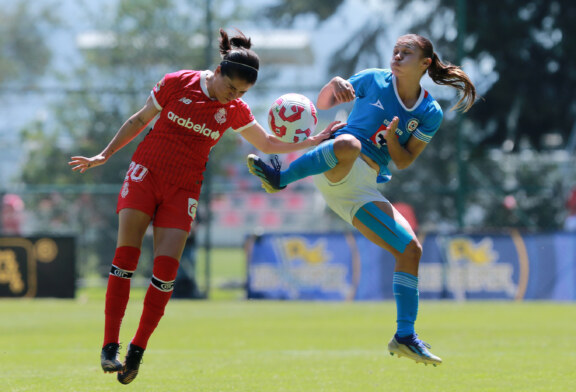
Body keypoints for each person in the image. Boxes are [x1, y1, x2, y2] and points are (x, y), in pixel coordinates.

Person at [69, 28, 341, 384]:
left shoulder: (234, 110)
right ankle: (109, 347)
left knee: (165, 274)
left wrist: (313, 139)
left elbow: (269, 143)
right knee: (126, 258)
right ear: (218, 71)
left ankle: (136, 350)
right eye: (231, 88)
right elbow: (139, 120)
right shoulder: (176, 83)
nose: (234, 96)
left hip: (183, 190)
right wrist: (104, 154)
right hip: (145, 174)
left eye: (242, 93)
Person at [247, 33, 476, 366]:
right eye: (396, 50)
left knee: (411, 250)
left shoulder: (430, 111)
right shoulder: (372, 79)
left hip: (363, 188)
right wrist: (335, 83)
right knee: (351, 144)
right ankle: (279, 177)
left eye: (406, 52)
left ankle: (405, 336)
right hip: (336, 162)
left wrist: (392, 139)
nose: (397, 55)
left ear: (425, 64)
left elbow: (403, 160)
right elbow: (325, 103)